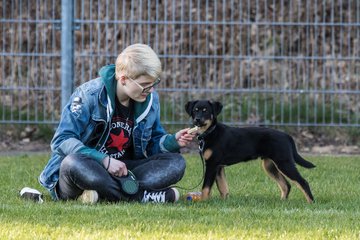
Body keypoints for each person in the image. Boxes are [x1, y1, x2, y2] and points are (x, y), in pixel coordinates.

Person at [38, 43, 195, 204]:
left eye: (154, 84)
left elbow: (153, 144)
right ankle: (141, 196)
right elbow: (62, 140)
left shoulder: (150, 100)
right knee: (72, 163)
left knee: (176, 162)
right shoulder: (88, 95)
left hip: (125, 170)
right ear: (124, 79)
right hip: (90, 166)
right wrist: (104, 160)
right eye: (145, 85)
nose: (151, 90)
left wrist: (172, 141)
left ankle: (104, 194)